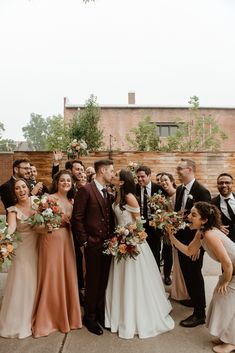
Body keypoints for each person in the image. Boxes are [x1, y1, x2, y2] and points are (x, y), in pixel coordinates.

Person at [105, 169, 174, 339]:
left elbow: (138, 222)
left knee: (134, 278)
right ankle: (119, 312)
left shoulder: (129, 197)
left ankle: (137, 313)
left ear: (121, 182)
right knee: (121, 278)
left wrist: (130, 238)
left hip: (132, 242)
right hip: (120, 240)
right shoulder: (116, 195)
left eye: (115, 176)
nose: (112, 177)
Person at [169, 201, 235, 353]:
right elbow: (189, 251)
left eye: (194, 215)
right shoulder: (201, 232)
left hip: (232, 269)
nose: (189, 217)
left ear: (204, 220)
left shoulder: (210, 234)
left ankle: (231, 342)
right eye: (190, 213)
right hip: (231, 268)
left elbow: (227, 263)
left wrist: (225, 281)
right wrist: (171, 237)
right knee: (221, 301)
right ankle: (226, 337)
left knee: (228, 303)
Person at [32, 170, 82, 338]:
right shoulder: (48, 198)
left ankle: (67, 316)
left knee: (67, 275)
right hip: (51, 241)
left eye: (68, 180)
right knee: (51, 276)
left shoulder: (72, 201)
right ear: (56, 182)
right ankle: (49, 317)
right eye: (62, 180)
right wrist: (51, 225)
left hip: (67, 242)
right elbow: (36, 225)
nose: (66, 183)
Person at [71, 159, 115, 336]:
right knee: (92, 281)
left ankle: (99, 314)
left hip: (108, 245)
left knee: (103, 281)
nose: (113, 174)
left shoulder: (109, 192)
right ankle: (89, 317)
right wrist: (85, 241)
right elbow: (77, 218)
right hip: (93, 244)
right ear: (102, 170)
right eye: (111, 171)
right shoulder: (86, 190)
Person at [0, 179, 39, 338]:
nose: (21, 190)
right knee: (23, 283)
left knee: (37, 282)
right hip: (22, 251)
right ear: (14, 192)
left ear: (28, 189)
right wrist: (4, 239)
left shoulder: (38, 202)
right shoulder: (12, 210)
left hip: (39, 248)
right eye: (17, 188)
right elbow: (11, 228)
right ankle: (19, 321)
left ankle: (37, 317)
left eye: (23, 187)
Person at [174, 158, 211, 327]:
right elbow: (179, 213)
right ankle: (193, 299)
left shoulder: (202, 191)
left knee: (195, 275)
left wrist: (198, 245)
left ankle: (199, 313)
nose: (177, 171)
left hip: (195, 243)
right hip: (181, 240)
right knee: (186, 273)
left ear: (189, 170)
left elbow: (206, 222)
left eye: (179, 168)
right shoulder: (181, 189)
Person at [135, 166, 166, 268]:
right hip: (139, 227)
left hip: (154, 228)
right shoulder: (134, 189)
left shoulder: (159, 189)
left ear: (149, 176)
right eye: (138, 177)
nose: (139, 179)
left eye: (142, 176)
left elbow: (165, 207)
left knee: (155, 253)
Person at [211, 173, 235, 243]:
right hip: (224, 242)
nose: (224, 185)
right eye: (221, 183)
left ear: (232, 184)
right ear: (217, 185)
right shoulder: (212, 203)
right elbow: (208, 222)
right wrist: (217, 226)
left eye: (227, 183)